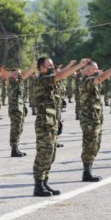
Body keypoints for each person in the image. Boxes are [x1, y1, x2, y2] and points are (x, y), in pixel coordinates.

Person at [32, 57, 89, 196]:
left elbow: (59, 74)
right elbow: (60, 75)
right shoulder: (42, 79)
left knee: (51, 154)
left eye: (53, 64)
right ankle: (38, 186)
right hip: (44, 123)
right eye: (49, 65)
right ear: (41, 67)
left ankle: (45, 182)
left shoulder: (51, 79)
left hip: (52, 121)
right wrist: (78, 66)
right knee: (43, 154)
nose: (52, 67)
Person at [78, 59, 111, 181]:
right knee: (89, 146)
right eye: (94, 69)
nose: (97, 71)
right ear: (87, 71)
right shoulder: (86, 80)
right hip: (89, 120)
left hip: (95, 119)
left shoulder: (92, 81)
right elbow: (101, 77)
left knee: (95, 145)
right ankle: (86, 172)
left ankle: (88, 170)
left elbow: (102, 77)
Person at [7, 66, 35, 157]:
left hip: (19, 109)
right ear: (12, 74)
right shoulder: (12, 82)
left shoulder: (18, 83)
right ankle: (14, 149)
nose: (18, 75)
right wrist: (34, 66)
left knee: (19, 129)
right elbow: (24, 75)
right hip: (15, 110)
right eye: (16, 74)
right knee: (15, 129)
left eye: (19, 73)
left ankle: (16, 148)